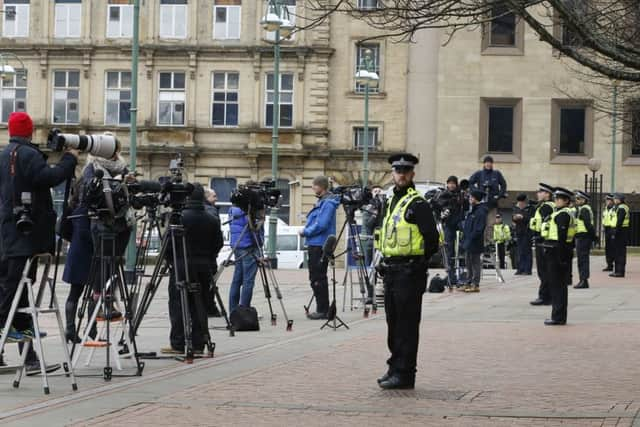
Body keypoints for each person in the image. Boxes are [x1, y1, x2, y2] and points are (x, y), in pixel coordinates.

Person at [0, 112, 78, 368]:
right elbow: (48, 178)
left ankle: (28, 354)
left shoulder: (3, 155)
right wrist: (68, 160)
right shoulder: (28, 155)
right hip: (26, 235)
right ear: (30, 132)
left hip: (6, 233)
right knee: (16, 289)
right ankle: (6, 330)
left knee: (19, 290)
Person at [376, 153, 439, 389]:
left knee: (407, 325)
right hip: (391, 269)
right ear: (392, 174)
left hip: (409, 271)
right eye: (397, 171)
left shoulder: (418, 203)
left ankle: (405, 374)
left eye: (405, 171)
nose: (401, 175)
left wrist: (418, 263)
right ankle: (394, 366)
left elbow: (432, 238)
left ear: (412, 174)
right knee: (393, 324)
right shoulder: (392, 201)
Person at [62, 151, 130, 342]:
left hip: (81, 239)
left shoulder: (86, 176)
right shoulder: (102, 178)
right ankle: (89, 329)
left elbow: (70, 209)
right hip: (95, 237)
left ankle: (74, 329)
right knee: (98, 286)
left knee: (79, 288)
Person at [163, 184, 222, 354]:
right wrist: (210, 258)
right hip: (204, 266)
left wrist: (171, 261)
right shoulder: (211, 219)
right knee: (200, 303)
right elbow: (217, 243)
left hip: (181, 265)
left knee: (178, 303)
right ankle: (199, 343)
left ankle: (178, 342)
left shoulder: (179, 218)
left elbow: (168, 244)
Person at [300, 176, 339, 320]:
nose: (312, 188)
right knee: (315, 277)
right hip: (315, 243)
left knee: (318, 278)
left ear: (321, 187)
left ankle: (323, 310)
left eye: (314, 186)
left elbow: (321, 224)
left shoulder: (327, 203)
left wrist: (306, 232)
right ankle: (323, 308)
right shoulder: (322, 202)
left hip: (319, 245)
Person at [227, 181, 264, 315]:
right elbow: (254, 228)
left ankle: (233, 310)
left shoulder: (233, 208)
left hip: (237, 246)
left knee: (237, 279)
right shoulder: (247, 209)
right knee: (248, 281)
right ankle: (244, 311)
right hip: (249, 246)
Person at [540, 187, 576, 325]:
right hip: (556, 250)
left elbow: (562, 237)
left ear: (566, 200)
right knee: (557, 285)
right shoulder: (560, 213)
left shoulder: (563, 214)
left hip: (557, 251)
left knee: (558, 286)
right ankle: (558, 316)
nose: (556, 201)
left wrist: (561, 257)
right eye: (555, 198)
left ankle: (558, 317)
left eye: (558, 199)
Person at [468, 155, 507, 244]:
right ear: (484, 164)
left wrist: (499, 196)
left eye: (490, 163)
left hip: (492, 204)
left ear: (492, 164)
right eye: (486, 163)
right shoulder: (479, 174)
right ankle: (482, 243)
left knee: (491, 225)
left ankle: (490, 243)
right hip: (481, 204)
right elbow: (470, 183)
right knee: (481, 224)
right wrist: (477, 192)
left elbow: (503, 185)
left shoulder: (496, 174)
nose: (488, 164)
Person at [529, 183, 555, 306]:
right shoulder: (544, 206)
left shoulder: (547, 207)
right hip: (542, 240)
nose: (538, 194)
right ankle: (547, 295)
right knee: (544, 270)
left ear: (547, 194)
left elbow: (546, 225)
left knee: (543, 270)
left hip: (543, 240)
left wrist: (541, 237)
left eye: (541, 192)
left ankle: (544, 296)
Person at [460, 190, 488, 293]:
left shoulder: (480, 211)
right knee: (468, 263)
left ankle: (475, 284)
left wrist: (470, 239)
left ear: (476, 199)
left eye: (471, 197)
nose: (469, 199)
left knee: (475, 263)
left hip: (474, 242)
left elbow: (478, 229)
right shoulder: (473, 210)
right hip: (468, 241)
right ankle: (468, 282)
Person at [441, 176, 464, 285]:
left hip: (459, 223)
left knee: (461, 249)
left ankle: (463, 274)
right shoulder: (444, 195)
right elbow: (438, 205)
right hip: (448, 225)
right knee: (449, 250)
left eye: (453, 183)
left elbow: (465, 207)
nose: (451, 185)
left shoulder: (461, 194)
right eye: (449, 183)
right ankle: (451, 276)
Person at [573, 190, 595, 289]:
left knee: (583, 260)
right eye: (576, 198)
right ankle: (582, 279)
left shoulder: (584, 209)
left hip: (583, 237)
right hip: (581, 236)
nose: (576, 200)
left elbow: (588, 225)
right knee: (582, 259)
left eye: (578, 198)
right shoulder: (582, 209)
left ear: (584, 200)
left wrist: (593, 237)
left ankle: (584, 280)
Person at [512, 193, 533, 275]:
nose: (520, 204)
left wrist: (523, 217)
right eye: (519, 202)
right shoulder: (516, 207)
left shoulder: (530, 208)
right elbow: (513, 218)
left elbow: (531, 218)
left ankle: (527, 269)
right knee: (520, 251)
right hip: (519, 231)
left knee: (527, 250)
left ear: (525, 202)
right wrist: (514, 218)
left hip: (527, 231)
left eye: (522, 202)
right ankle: (520, 268)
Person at [610, 193, 630, 278]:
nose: (614, 200)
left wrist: (615, 231)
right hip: (620, 230)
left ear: (619, 199)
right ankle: (617, 270)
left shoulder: (622, 208)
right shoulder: (619, 207)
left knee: (620, 252)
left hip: (621, 231)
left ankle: (620, 271)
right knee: (617, 251)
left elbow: (619, 221)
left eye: (615, 199)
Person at [602, 194, 616, 272]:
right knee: (607, 248)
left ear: (612, 201)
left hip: (612, 229)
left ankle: (614, 264)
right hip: (606, 229)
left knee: (612, 247)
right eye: (606, 200)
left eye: (608, 200)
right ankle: (609, 264)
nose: (607, 202)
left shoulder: (614, 209)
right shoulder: (605, 209)